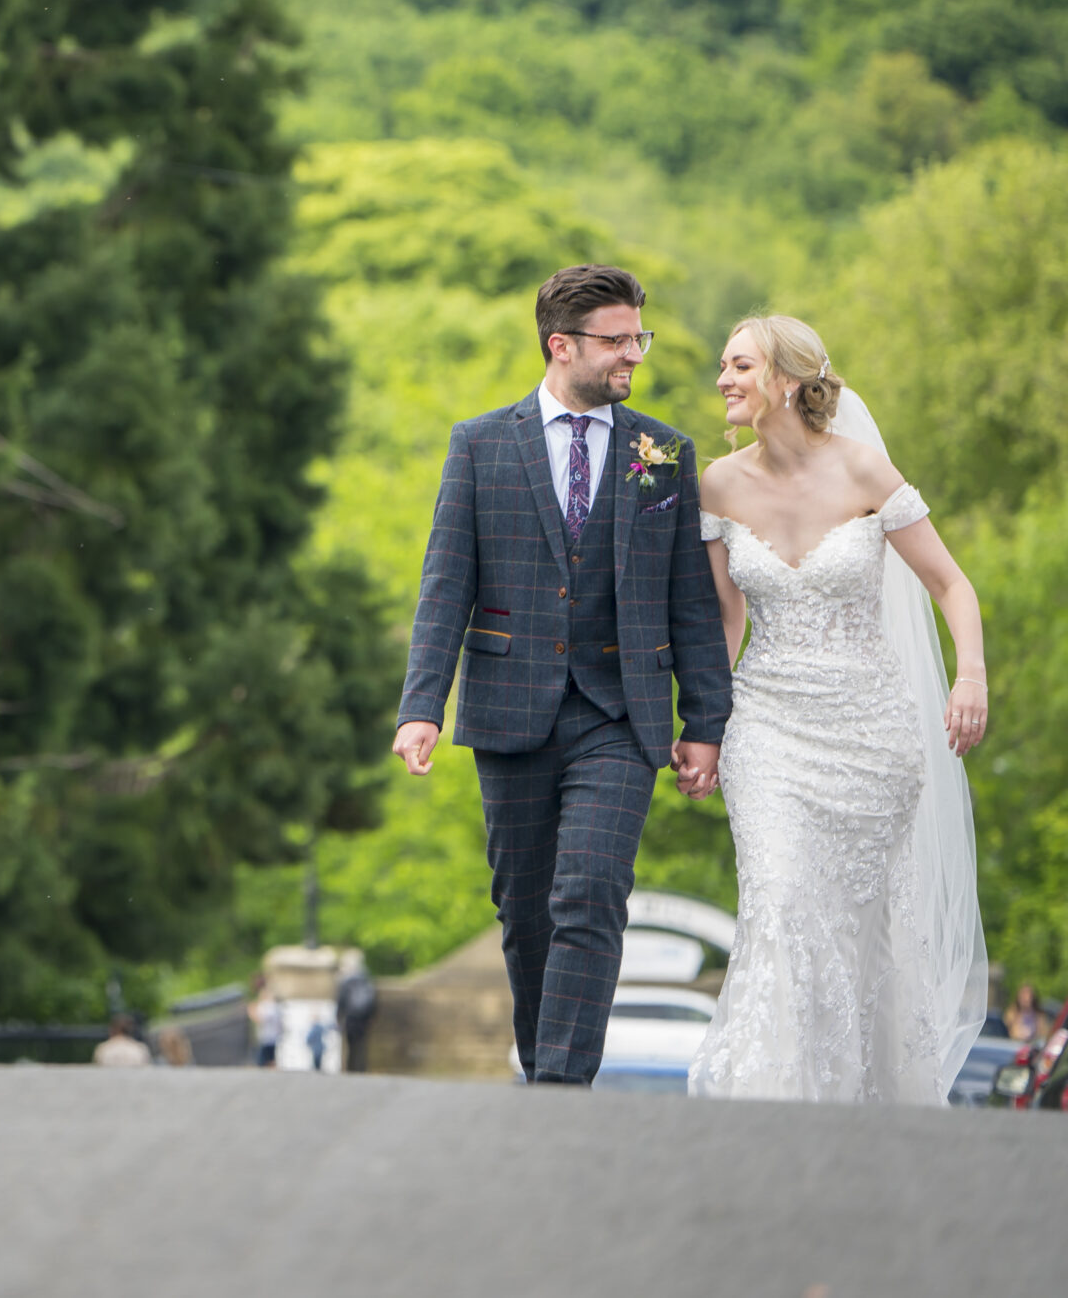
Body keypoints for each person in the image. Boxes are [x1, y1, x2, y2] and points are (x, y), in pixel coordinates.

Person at [393, 265, 732, 1088]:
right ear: (561, 345)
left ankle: (561, 1085)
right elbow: (448, 582)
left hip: (621, 714)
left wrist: (705, 722)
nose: (633, 356)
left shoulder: (664, 454)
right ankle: (544, 1066)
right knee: (526, 910)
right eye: (616, 340)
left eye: (637, 338)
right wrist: (421, 705)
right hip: (510, 708)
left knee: (590, 892)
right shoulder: (480, 444)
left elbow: (692, 603)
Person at [688, 316, 989, 1104]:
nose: (722, 377)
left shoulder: (864, 471)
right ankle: (773, 1102)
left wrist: (971, 677)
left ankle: (857, 1110)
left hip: (870, 735)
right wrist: (703, 730)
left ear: (787, 380)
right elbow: (727, 623)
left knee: (856, 934)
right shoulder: (715, 484)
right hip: (769, 728)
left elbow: (951, 584)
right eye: (723, 364)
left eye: (739, 364)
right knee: (782, 901)